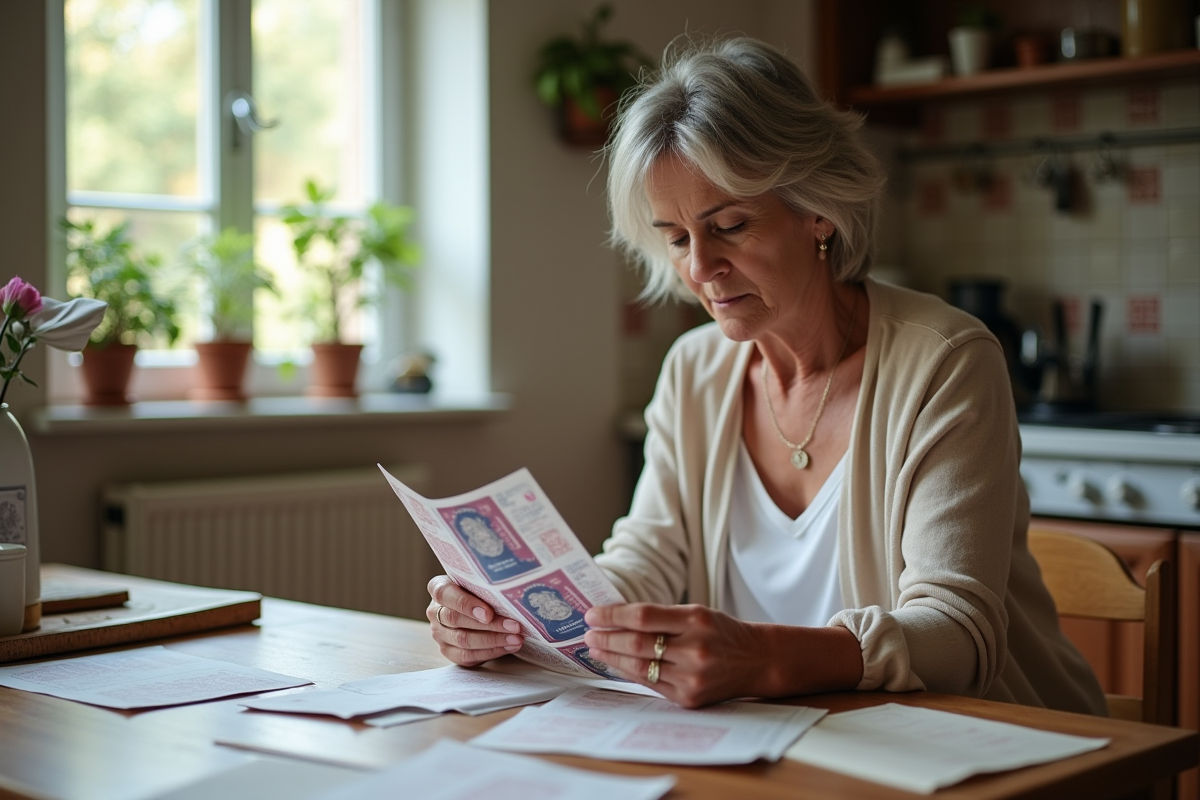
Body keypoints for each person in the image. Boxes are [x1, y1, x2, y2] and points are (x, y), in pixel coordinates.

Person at [426, 36, 1107, 714]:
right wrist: (519, 619)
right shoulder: (693, 371)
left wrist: (763, 658)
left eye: (729, 225)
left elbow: (958, 637)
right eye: (676, 237)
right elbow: (649, 561)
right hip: (805, 746)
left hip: (1008, 749)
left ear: (817, 210)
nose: (699, 267)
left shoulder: (946, 361)